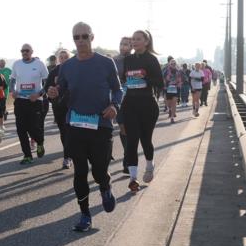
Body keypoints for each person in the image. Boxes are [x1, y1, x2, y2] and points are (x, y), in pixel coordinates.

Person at [47, 23, 121, 232]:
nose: (80, 41)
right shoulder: (67, 66)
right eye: (76, 37)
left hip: (100, 124)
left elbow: (118, 89)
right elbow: (61, 91)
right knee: (80, 171)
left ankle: (105, 187)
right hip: (75, 125)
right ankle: (85, 214)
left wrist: (114, 105)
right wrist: (54, 93)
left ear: (92, 37)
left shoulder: (106, 63)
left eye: (84, 36)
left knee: (99, 171)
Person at [120, 30, 164, 193]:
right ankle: (133, 179)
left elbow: (160, 83)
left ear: (146, 42)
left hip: (147, 105)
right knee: (131, 141)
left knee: (145, 140)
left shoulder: (151, 59)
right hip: (130, 104)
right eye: (133, 39)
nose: (134, 42)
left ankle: (150, 165)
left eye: (138, 39)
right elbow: (125, 81)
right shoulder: (128, 59)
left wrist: (144, 78)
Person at [9, 43, 48, 164]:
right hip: (20, 101)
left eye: (26, 51)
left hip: (35, 101)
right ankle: (27, 155)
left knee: (33, 127)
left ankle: (40, 142)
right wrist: (12, 91)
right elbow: (12, 81)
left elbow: (47, 82)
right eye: (22, 51)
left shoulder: (39, 64)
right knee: (21, 129)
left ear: (32, 52)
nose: (24, 53)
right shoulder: (17, 64)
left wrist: (38, 94)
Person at [45, 49, 72, 169]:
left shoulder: (75, 69)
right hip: (59, 106)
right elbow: (47, 88)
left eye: (65, 56)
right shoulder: (54, 71)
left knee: (73, 132)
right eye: (61, 57)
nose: (63, 59)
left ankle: (73, 153)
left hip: (73, 105)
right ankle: (67, 157)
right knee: (64, 131)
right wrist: (51, 96)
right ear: (58, 59)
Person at [162, 57, 184, 123]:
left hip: (175, 88)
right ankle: (170, 109)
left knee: (174, 102)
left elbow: (182, 79)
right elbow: (162, 78)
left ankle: (172, 118)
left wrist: (179, 84)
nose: (173, 64)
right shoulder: (165, 70)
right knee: (168, 103)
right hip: (167, 88)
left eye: (174, 63)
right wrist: (165, 84)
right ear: (169, 64)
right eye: (172, 63)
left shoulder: (178, 71)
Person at [0, 59, 12, 123]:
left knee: (3, 101)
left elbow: (13, 77)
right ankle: (4, 112)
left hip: (5, 88)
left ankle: (3, 112)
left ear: (5, 63)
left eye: (3, 62)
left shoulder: (8, 70)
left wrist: (10, 83)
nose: (2, 63)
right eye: (1, 62)